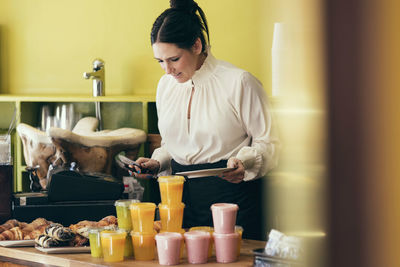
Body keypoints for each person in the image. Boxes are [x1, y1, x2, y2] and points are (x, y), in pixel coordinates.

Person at [133, 0, 279, 240]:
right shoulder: (165, 87)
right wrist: (157, 163)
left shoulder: (239, 82)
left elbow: (270, 142)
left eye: (174, 59)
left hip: (233, 202)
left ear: (197, 45)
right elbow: (172, 144)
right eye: (160, 61)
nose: (167, 70)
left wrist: (246, 164)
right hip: (179, 204)